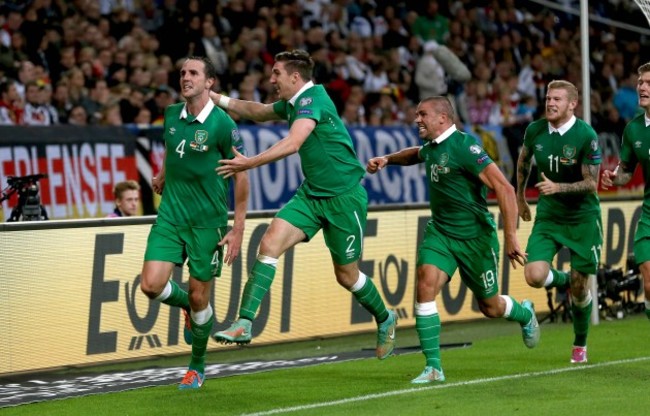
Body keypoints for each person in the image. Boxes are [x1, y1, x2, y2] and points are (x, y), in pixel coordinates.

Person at [209, 49, 398, 360]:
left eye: (276, 74)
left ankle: (385, 318)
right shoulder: (295, 102)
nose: (271, 80)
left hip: (343, 198)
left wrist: (249, 163)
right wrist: (215, 97)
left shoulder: (313, 101)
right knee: (269, 242)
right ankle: (244, 322)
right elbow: (257, 111)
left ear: (295, 77)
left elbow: (294, 142)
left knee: (347, 275)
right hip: (312, 195)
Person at [366, 96, 536, 384]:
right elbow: (416, 154)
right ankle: (433, 367)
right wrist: (388, 160)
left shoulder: (465, 147)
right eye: (417, 113)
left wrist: (511, 237)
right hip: (442, 233)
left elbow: (505, 189)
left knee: (490, 307)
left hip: (475, 239)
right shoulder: (432, 147)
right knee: (425, 282)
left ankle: (524, 313)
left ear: (443, 118)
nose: (417, 119)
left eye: (423, 114)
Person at [139, 56, 249, 390]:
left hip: (208, 224)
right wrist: (162, 174)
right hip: (171, 216)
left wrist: (238, 228)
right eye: (183, 73)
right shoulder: (172, 115)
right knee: (150, 285)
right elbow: (175, 151)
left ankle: (197, 365)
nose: (186, 78)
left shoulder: (223, 125)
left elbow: (241, 176)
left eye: (193, 73)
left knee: (202, 297)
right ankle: (187, 304)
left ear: (209, 82)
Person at [516, 80, 602, 364]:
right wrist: (520, 197)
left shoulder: (585, 135)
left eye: (557, 99)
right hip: (550, 216)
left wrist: (558, 188)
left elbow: (592, 183)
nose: (550, 103)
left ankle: (580, 344)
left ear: (572, 104)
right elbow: (524, 161)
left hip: (582, 218)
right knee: (534, 275)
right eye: (548, 98)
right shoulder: (535, 130)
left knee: (580, 291)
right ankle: (568, 279)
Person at [602, 62, 650, 321]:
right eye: (640, 83)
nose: (642, 87)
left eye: (648, 83)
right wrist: (615, 177)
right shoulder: (633, 129)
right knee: (649, 278)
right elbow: (627, 171)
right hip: (649, 214)